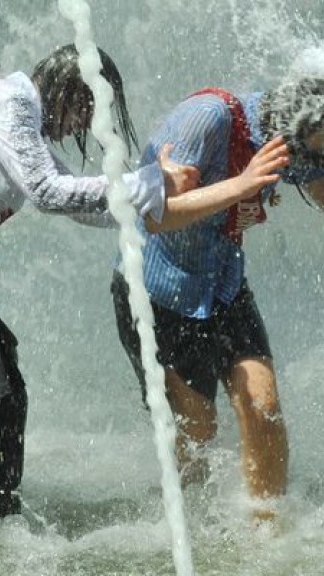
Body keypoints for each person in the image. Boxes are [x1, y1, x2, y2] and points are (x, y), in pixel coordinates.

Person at [0, 43, 289, 521]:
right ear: (68, 87)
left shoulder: (16, 118)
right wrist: (147, 183)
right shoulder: (11, 103)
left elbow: (82, 205)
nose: (83, 124)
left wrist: (151, 194)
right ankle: (1, 524)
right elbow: (47, 193)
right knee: (3, 389)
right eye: (85, 108)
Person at [112, 75, 324, 523]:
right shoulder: (207, 119)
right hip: (159, 293)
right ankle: (185, 531)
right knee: (198, 436)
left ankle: (268, 534)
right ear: (293, 126)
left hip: (224, 286)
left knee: (263, 406)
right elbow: (155, 215)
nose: (314, 162)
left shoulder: (301, 142)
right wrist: (243, 184)